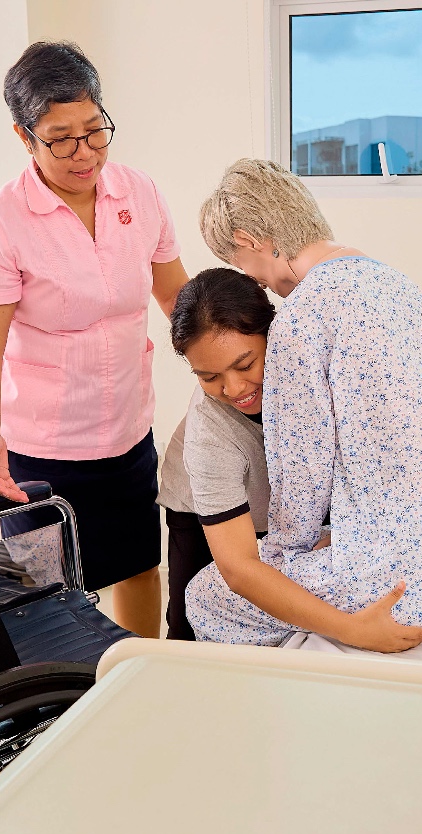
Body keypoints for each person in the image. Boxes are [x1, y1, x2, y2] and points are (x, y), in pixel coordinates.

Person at [182, 159, 422, 650]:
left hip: (404, 584)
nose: (256, 281)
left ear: (249, 240)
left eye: (243, 264)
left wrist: (289, 557)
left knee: (204, 595)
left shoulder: (303, 318)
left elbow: (302, 484)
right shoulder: (398, 285)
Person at [0, 42, 187, 637]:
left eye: (95, 131)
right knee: (41, 594)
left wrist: (233, 364)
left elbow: (175, 296)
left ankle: (137, 682)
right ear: (24, 135)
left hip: (128, 431)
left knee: (138, 565)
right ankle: (58, 711)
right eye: (61, 138)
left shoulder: (138, 192)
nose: (84, 152)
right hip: (44, 447)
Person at [156, 268, 275, 640]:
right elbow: (238, 570)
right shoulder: (209, 430)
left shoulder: (315, 372)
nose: (234, 388)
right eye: (209, 377)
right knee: (188, 627)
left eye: (245, 365)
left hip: (277, 509)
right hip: (198, 506)